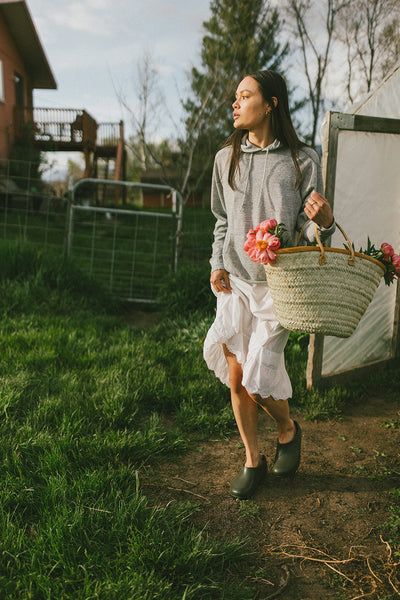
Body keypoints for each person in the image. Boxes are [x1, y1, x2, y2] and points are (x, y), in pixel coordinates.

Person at [203, 70, 335, 500]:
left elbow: (311, 230)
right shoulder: (227, 158)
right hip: (237, 281)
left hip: (280, 284)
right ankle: (252, 461)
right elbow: (222, 220)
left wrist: (326, 222)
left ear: (272, 103)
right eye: (235, 96)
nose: (235, 103)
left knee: (258, 379)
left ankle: (287, 428)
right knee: (238, 376)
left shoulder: (303, 160)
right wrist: (217, 262)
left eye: (245, 95)